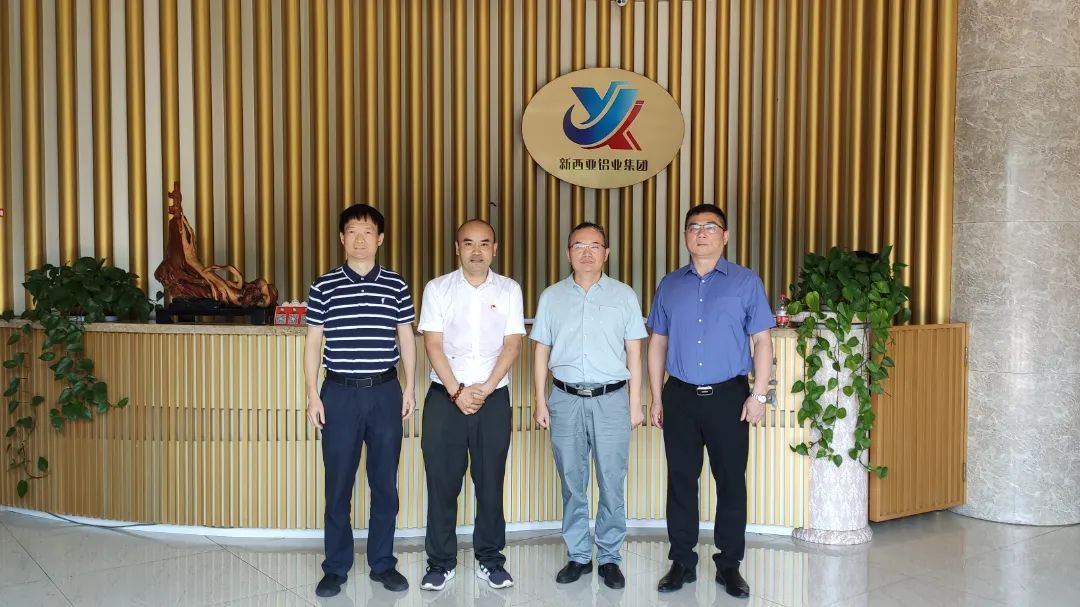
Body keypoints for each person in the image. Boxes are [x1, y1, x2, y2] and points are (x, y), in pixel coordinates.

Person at [647, 203, 774, 598]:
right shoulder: (670, 284)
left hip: (729, 397)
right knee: (681, 482)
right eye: (693, 227)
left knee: (731, 482)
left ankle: (729, 565)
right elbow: (658, 343)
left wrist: (758, 394)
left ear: (725, 236)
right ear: (686, 236)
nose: (701, 233)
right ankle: (682, 563)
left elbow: (762, 341)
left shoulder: (746, 282)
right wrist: (656, 396)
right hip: (680, 396)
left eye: (710, 226)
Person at [304, 203, 416, 597]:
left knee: (384, 483)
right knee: (338, 485)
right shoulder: (324, 285)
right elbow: (313, 342)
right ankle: (335, 567)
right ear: (342, 238)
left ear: (380, 239)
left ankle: (382, 563)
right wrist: (312, 394)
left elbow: (406, 337)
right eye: (352, 231)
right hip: (338, 394)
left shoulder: (397, 285)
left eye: (368, 232)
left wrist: (409, 387)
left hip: (385, 392)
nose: (360, 239)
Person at [531, 222, 647, 590]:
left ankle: (609, 557)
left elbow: (634, 351)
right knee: (572, 481)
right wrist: (540, 401)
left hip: (612, 400)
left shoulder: (624, 295)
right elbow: (541, 351)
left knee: (612, 481)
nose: (587, 252)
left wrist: (636, 403)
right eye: (579, 245)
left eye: (594, 245)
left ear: (606, 252)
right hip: (564, 399)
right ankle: (579, 554)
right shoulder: (552, 297)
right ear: (568, 253)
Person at [417, 219, 525, 591]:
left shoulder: (509, 289)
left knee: (490, 483)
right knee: (442, 483)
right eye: (468, 243)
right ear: (457, 248)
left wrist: (485, 388)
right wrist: (457, 392)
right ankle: (440, 562)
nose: (476, 251)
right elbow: (432, 343)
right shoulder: (438, 289)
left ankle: (491, 560)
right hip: (445, 398)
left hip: (493, 399)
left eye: (484, 243)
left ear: (495, 248)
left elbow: (512, 344)